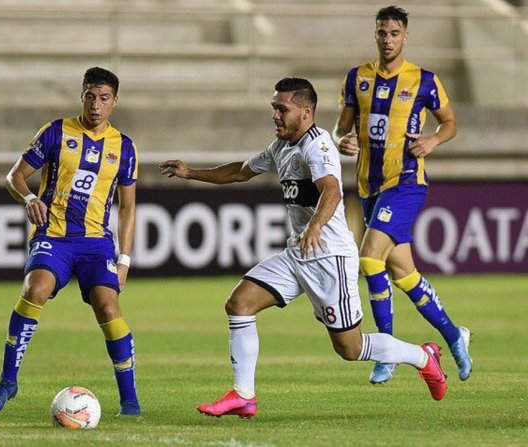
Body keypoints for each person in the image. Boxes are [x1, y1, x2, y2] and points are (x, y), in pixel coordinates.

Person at [160, 77, 448, 418]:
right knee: (239, 304)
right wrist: (190, 172)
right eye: (274, 108)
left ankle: (422, 356)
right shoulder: (281, 147)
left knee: (351, 348)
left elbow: (332, 190)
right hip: (298, 253)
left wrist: (314, 227)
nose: (276, 115)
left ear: (306, 112)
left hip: (330, 257)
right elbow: (239, 172)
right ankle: (243, 395)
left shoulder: (318, 144)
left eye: (283, 109)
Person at [0, 67, 141, 416]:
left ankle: (130, 402)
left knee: (109, 308)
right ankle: (8, 381)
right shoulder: (56, 132)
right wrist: (27, 199)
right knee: (34, 290)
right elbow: (15, 176)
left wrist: (125, 259)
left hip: (96, 242)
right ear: (81, 95)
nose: (96, 105)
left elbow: (128, 207)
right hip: (53, 235)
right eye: (90, 96)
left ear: (115, 101)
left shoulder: (124, 148)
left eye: (104, 98)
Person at [332, 6, 472, 385]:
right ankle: (455, 337)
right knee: (404, 274)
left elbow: (451, 123)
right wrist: (341, 140)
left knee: (368, 257)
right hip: (369, 187)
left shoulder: (424, 80)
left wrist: (433, 140)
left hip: (407, 182)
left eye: (394, 33)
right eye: (382, 32)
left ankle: (387, 353)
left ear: (405, 36)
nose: (388, 39)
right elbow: (340, 128)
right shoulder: (356, 78)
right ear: (375, 34)